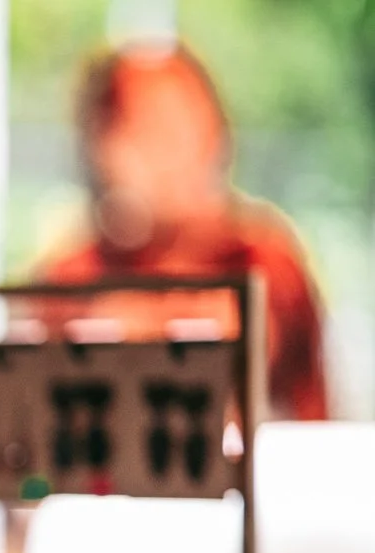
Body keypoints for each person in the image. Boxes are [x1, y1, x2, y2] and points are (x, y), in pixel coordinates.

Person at [36, 40, 329, 420]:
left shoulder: (265, 259)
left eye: (180, 123)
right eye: (141, 126)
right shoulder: (73, 276)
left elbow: (312, 411)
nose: (169, 151)